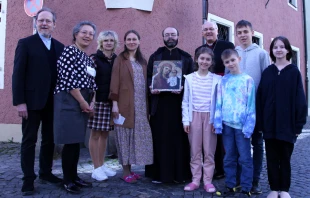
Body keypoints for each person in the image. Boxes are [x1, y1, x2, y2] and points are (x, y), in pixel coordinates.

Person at [12, 7, 64, 196]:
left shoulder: (60, 46)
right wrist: (19, 102)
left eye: (48, 21)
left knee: (49, 140)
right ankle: (28, 180)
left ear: (54, 25)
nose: (44, 23)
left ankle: (46, 172)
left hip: (53, 102)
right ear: (36, 22)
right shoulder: (25, 43)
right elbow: (17, 74)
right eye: (41, 20)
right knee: (29, 141)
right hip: (31, 102)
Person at [256, 36, 307, 198]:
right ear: (271, 51)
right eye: (275, 47)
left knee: (285, 158)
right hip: (269, 124)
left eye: (282, 47)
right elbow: (260, 98)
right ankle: (273, 188)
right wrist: (260, 123)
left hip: (287, 125)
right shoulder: (268, 72)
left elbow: (300, 100)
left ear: (287, 50)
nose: (278, 49)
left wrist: (299, 126)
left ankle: (284, 189)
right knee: (271, 158)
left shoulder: (294, 72)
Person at [53, 21, 97, 194]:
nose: (87, 36)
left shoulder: (87, 57)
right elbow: (69, 81)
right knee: (70, 142)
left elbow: (92, 82)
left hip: (83, 100)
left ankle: (74, 176)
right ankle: (67, 180)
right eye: (84, 32)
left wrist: (90, 102)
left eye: (91, 34)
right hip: (70, 99)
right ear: (76, 34)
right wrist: (83, 102)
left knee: (76, 141)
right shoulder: (69, 51)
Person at [145, 27, 193, 183]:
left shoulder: (186, 58)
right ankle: (159, 174)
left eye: (173, 34)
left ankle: (180, 174)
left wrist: (183, 87)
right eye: (167, 35)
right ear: (163, 37)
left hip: (179, 106)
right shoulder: (155, 56)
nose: (170, 37)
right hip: (159, 106)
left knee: (179, 140)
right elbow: (148, 78)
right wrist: (151, 88)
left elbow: (191, 80)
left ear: (178, 36)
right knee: (160, 139)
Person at [109, 30, 153, 183]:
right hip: (124, 105)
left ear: (139, 41)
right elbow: (114, 82)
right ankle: (125, 171)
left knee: (137, 138)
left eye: (134, 39)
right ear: (125, 42)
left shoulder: (142, 61)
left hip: (141, 106)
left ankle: (132, 170)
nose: (131, 42)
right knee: (124, 138)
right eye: (128, 39)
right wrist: (114, 104)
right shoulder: (120, 59)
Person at [234, 20, 270, 194]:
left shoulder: (262, 54)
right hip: (237, 109)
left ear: (252, 32)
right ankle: (242, 178)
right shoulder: (234, 53)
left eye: (245, 31)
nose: (242, 35)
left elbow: (267, 81)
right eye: (239, 32)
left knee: (257, 143)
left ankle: (255, 180)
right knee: (240, 145)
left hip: (256, 108)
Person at [195, 21, 235, 179]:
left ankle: (225, 166)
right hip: (205, 92)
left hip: (223, 91)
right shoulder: (199, 50)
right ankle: (212, 166)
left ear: (217, 31)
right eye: (205, 30)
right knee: (210, 129)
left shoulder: (227, 45)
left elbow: (232, 66)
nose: (209, 32)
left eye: (211, 29)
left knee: (222, 130)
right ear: (202, 33)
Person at [214, 49, 255, 198]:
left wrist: (249, 126)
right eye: (227, 62)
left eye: (232, 60)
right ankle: (230, 185)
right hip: (226, 125)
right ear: (224, 64)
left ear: (238, 59)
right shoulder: (223, 80)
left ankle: (246, 187)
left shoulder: (248, 80)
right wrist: (217, 122)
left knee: (244, 158)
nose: (230, 64)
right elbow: (219, 102)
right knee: (229, 156)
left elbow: (251, 105)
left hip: (242, 126)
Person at [182, 47, 221, 192]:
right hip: (194, 116)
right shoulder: (189, 78)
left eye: (208, 59)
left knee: (209, 151)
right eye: (202, 58)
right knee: (195, 151)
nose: (204, 61)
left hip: (210, 118)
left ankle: (208, 181)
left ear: (211, 62)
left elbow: (219, 102)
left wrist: (216, 121)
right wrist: (186, 120)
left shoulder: (217, 79)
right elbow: (185, 101)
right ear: (197, 59)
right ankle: (195, 179)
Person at [88, 31, 119, 181]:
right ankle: (95, 168)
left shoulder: (116, 60)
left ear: (115, 43)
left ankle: (101, 165)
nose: (108, 43)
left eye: (111, 40)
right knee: (95, 135)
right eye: (105, 40)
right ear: (101, 42)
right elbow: (89, 82)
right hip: (98, 101)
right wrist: (91, 101)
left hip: (110, 102)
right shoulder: (94, 59)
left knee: (105, 134)